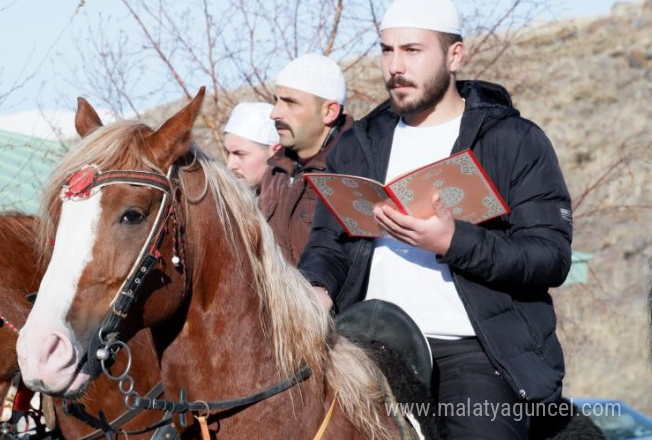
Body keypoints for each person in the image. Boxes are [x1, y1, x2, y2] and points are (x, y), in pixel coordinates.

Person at [298, 0, 573, 438]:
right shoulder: (358, 145)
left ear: (455, 55)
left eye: (412, 50)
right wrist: (317, 287)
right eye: (387, 50)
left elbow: (550, 257)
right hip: (367, 347)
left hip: (477, 356)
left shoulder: (513, 140)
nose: (395, 66)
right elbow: (329, 244)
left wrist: (452, 242)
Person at [259, 53, 353, 265]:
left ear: (329, 111)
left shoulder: (354, 171)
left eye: (290, 102)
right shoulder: (275, 171)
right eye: (276, 101)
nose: (275, 113)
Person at [222, 102, 280, 189]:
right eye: (227, 153)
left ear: (276, 153)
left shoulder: (300, 199)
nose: (230, 166)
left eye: (240, 154)